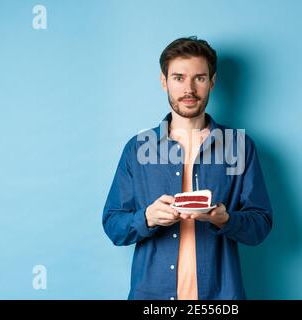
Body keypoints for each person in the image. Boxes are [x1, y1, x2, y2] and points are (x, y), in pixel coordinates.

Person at [102, 36, 273, 300]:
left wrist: (224, 219)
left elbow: (260, 224)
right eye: (179, 78)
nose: (189, 89)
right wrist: (147, 217)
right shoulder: (138, 148)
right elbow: (113, 225)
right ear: (164, 81)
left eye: (199, 78)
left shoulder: (239, 145)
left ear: (212, 82)